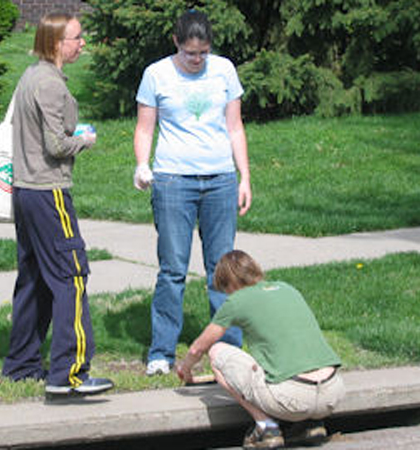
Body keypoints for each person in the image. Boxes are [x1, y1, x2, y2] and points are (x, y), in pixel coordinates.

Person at [133, 10, 252, 376]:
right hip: (172, 181)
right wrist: (141, 163)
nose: (197, 59)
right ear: (176, 43)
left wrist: (243, 177)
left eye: (203, 52)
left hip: (219, 179)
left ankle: (229, 350)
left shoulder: (224, 71)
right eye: (190, 53)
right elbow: (144, 128)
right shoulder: (156, 75)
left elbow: (234, 127)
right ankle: (161, 352)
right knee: (172, 269)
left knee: (223, 268)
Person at [1, 12, 113, 397]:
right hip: (49, 193)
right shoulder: (49, 84)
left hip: (25, 191)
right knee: (72, 276)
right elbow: (56, 145)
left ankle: (22, 364)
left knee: (34, 279)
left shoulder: (30, 75)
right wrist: (86, 139)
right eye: (77, 38)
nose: (83, 44)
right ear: (56, 43)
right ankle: (70, 373)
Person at [177, 250, 345, 449]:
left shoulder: (237, 300)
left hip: (291, 399)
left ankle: (267, 428)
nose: (227, 294)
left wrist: (185, 370)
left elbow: (199, 348)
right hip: (332, 393)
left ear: (229, 284)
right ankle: (310, 425)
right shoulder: (287, 288)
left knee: (217, 351)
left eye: (225, 289)